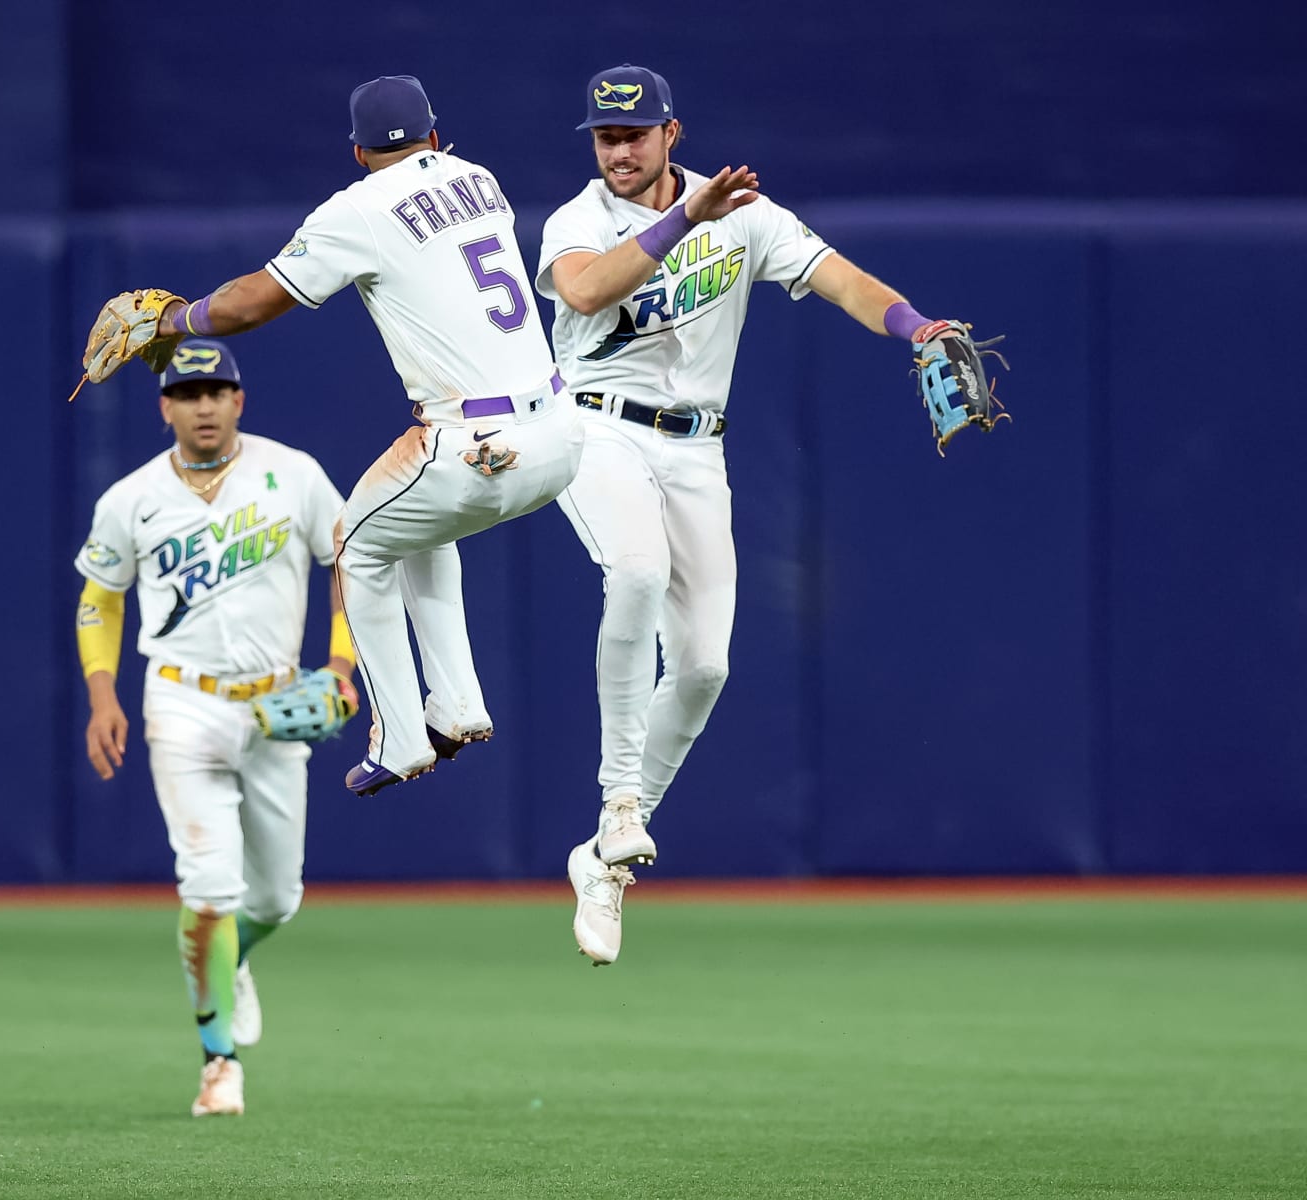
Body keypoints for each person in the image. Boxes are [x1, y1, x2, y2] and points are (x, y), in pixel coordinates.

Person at [539, 65, 985, 965]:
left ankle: (602, 862)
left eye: (634, 135)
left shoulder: (743, 211)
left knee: (704, 667)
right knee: (632, 571)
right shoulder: (578, 218)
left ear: (674, 134)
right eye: (604, 136)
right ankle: (620, 804)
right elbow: (585, 291)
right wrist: (684, 223)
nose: (618, 151)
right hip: (592, 427)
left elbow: (841, 279)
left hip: (698, 448)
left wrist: (917, 328)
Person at [93, 75, 584, 795]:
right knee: (416, 527)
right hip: (561, 437)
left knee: (355, 541)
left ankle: (399, 737)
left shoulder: (357, 209)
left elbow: (248, 305)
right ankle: (457, 703)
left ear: (357, 151)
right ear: (435, 136)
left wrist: (172, 320)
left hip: (479, 445)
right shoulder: (478, 178)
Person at [75, 339, 353, 1117]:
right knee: (208, 892)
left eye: (216, 391)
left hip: (275, 706)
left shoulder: (292, 473)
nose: (203, 405)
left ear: (240, 400)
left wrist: (340, 666)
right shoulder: (131, 497)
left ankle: (228, 964)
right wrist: (104, 696)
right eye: (187, 393)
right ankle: (217, 1061)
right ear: (164, 406)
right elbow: (99, 598)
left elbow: (352, 562)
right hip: (182, 702)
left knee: (274, 900)